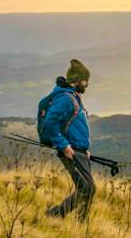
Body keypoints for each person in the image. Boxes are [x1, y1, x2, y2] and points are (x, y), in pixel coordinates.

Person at [37, 59, 94, 219]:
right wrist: (63, 145)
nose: (87, 85)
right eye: (85, 81)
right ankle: (57, 216)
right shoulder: (65, 99)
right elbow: (49, 123)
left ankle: (78, 223)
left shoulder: (74, 96)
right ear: (76, 81)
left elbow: (75, 125)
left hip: (79, 151)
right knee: (87, 188)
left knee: (88, 188)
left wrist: (84, 148)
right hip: (71, 151)